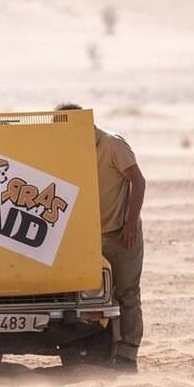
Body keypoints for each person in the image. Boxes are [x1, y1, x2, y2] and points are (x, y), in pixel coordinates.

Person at [57, 103, 146, 372]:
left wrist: (130, 223)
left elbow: (138, 181)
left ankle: (128, 355)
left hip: (120, 234)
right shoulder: (70, 149)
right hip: (87, 237)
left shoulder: (111, 144)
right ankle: (96, 351)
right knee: (92, 296)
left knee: (127, 293)